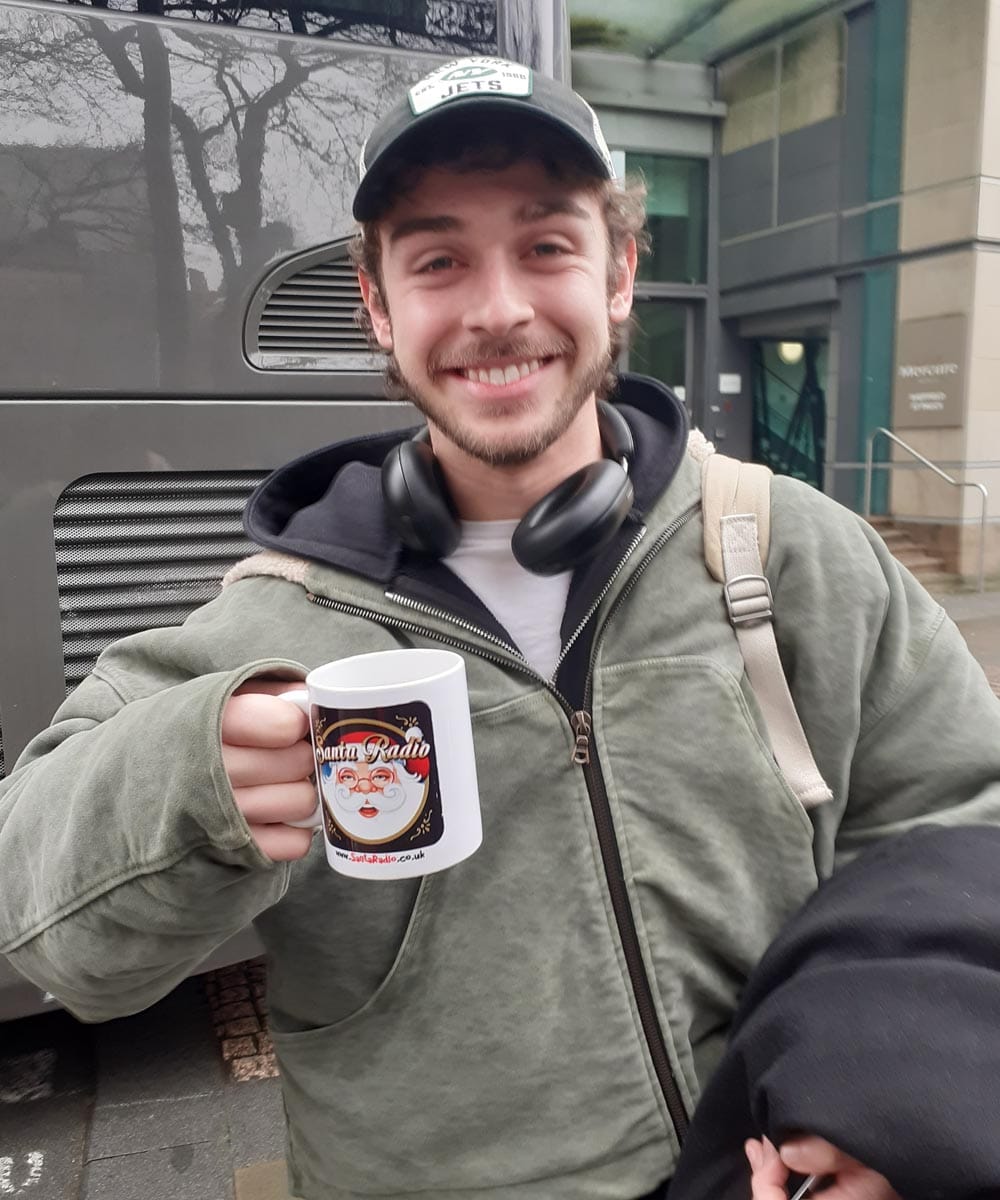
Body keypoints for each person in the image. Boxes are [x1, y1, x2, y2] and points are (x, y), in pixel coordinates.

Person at [2, 54, 1000, 1200]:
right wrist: (192, 776)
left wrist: (877, 1108)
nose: (498, 308)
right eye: (438, 261)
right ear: (377, 306)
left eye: (545, 245)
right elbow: (45, 928)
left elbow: (957, 830)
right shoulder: (272, 620)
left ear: (619, 272)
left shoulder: (790, 551)